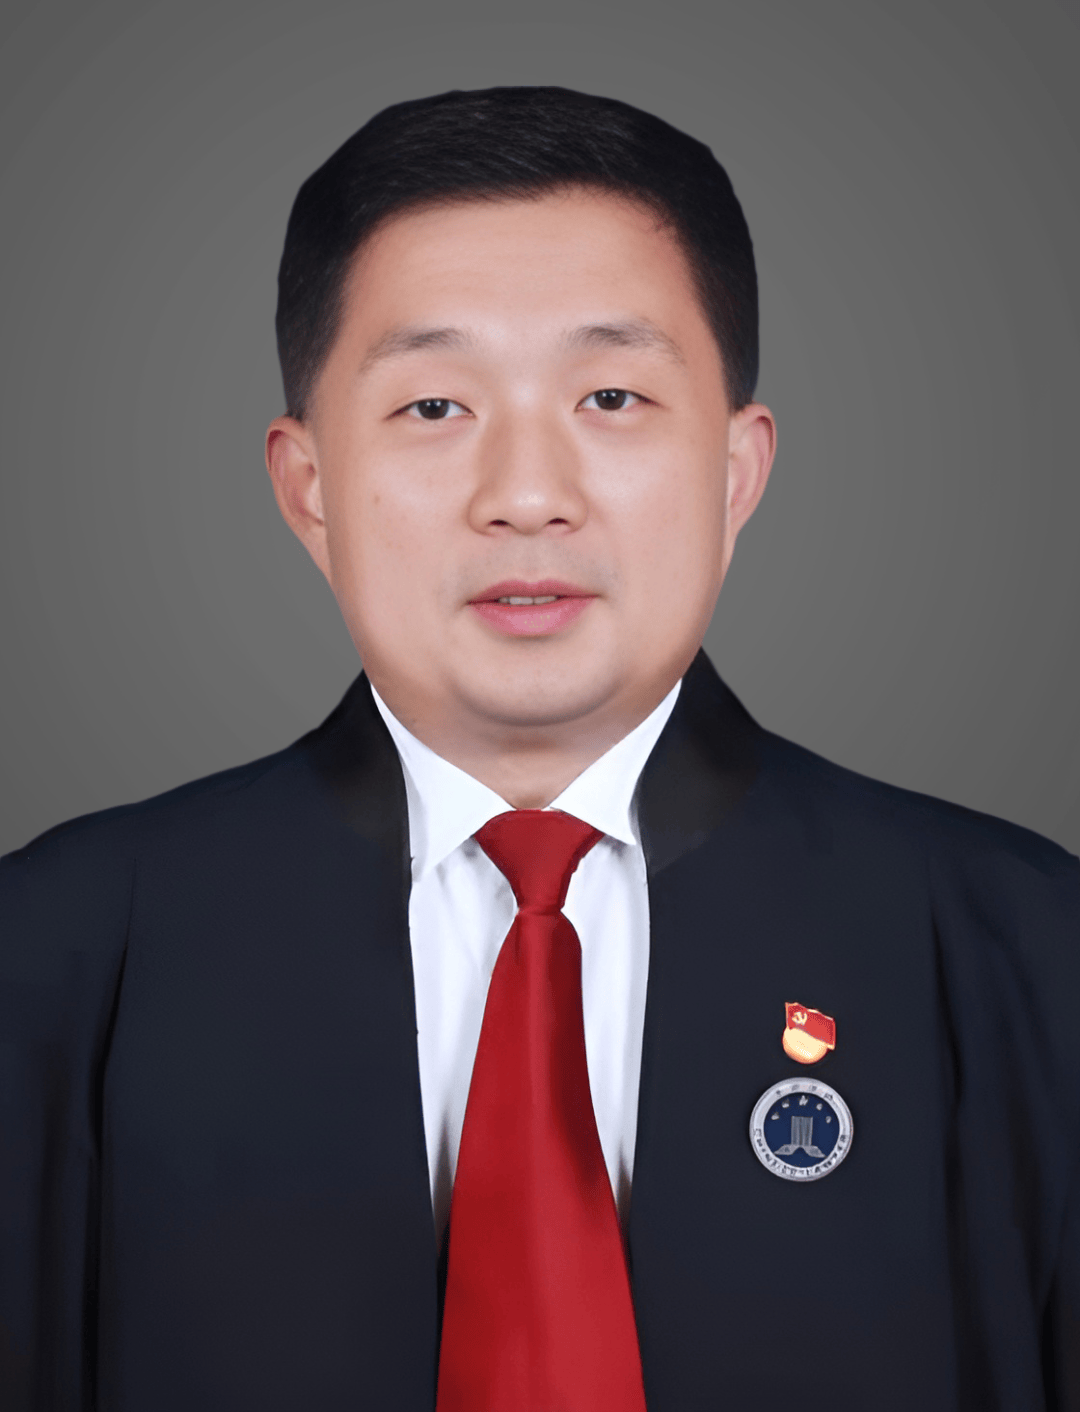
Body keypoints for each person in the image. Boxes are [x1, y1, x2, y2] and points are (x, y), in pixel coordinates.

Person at [1, 84, 1077, 1412]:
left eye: (610, 395)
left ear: (735, 472)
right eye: (434, 407)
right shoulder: (54, 961)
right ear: (308, 488)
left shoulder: (1026, 952)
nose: (525, 496)